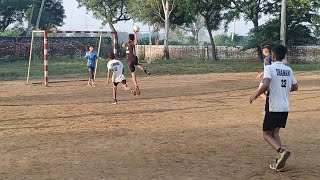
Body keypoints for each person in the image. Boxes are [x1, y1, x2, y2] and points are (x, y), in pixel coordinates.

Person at [250, 45, 298, 172]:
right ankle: (279, 160)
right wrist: (282, 89)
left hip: (273, 106)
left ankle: (281, 151)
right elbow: (295, 86)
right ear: (284, 56)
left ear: (273, 56)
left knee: (266, 134)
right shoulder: (288, 69)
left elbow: (265, 84)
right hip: (284, 107)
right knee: (275, 132)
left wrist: (255, 95)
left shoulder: (270, 68)